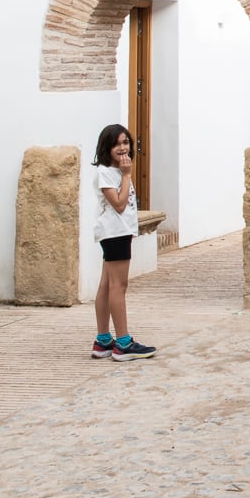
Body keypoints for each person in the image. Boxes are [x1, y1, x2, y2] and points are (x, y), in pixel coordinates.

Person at [90, 124, 156, 361]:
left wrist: (125, 173)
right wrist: (127, 175)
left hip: (117, 233)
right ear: (106, 147)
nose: (123, 147)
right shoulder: (108, 172)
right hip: (114, 233)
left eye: (126, 142)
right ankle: (124, 343)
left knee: (107, 285)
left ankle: (103, 341)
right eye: (117, 143)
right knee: (119, 286)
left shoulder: (115, 171)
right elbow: (118, 204)